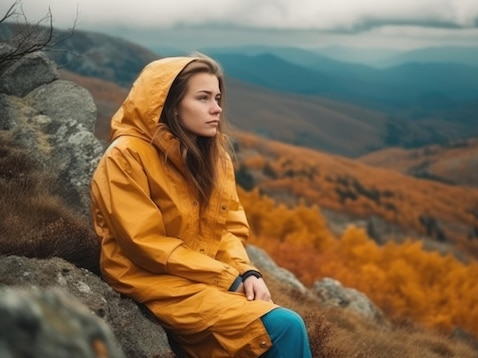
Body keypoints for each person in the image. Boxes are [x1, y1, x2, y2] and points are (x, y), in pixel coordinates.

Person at [90, 54, 312, 358]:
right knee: (285, 326)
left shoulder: (216, 158)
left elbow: (227, 231)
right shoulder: (126, 156)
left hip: (200, 277)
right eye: (203, 97)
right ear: (170, 105)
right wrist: (226, 278)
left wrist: (248, 273)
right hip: (149, 281)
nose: (217, 108)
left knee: (274, 327)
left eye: (218, 98)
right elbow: (144, 243)